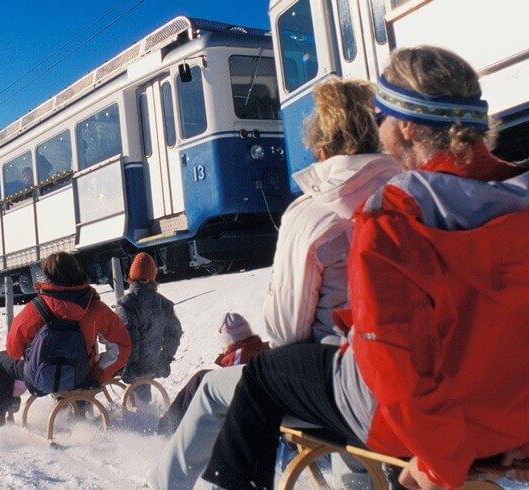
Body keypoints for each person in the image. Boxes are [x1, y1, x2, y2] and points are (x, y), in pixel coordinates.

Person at [201, 46, 529, 490]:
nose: (379, 132)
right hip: (516, 416)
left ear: (405, 125)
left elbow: (391, 360)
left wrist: (441, 460)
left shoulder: (395, 215)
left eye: (380, 117)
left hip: (425, 427)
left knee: (264, 376)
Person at [147, 78, 400, 489]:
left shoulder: (314, 214)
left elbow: (286, 332)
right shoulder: (408, 192)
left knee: (213, 390)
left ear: (320, 150)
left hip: (343, 382)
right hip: (406, 378)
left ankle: (162, 485)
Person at [0, 252, 132, 427]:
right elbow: (122, 346)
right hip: (79, 376)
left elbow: (14, 350)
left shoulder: (36, 308)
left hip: (39, 380)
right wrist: (97, 376)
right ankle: (80, 408)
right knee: (85, 360)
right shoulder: (95, 308)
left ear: (48, 275)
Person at [156, 313, 268, 436]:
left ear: (228, 340)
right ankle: (169, 427)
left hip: (249, 416)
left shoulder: (238, 358)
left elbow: (235, 393)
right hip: (262, 409)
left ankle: (166, 430)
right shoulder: (261, 349)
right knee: (201, 381)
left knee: (200, 381)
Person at [115, 252, 182, 403]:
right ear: (153, 277)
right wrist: (165, 359)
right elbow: (174, 333)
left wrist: (131, 367)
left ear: (131, 276)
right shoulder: (164, 304)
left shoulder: (126, 304)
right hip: (153, 363)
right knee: (143, 393)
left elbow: (130, 339)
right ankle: (144, 411)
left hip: (133, 365)